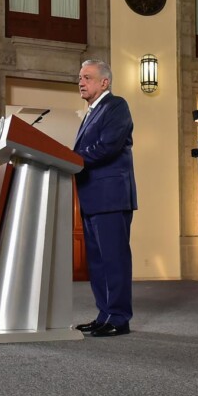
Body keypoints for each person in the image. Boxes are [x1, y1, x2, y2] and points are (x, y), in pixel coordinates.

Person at [72, 59, 137, 337]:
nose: (81, 81)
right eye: (80, 77)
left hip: (111, 198)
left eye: (87, 77)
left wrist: (71, 159)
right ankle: (104, 314)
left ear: (104, 82)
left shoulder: (116, 106)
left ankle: (119, 317)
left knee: (114, 259)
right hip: (92, 199)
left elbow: (108, 146)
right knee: (97, 262)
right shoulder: (89, 113)